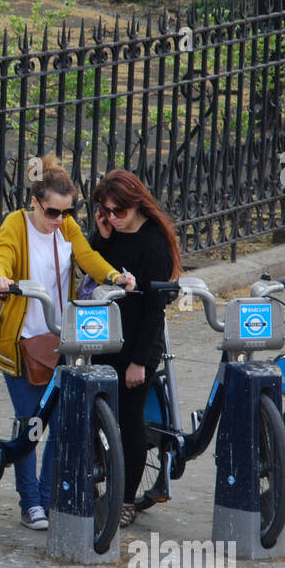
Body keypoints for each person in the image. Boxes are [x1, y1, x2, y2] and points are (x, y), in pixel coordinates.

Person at [0, 154, 135, 530]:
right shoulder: (15, 224)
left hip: (60, 339)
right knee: (30, 424)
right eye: (53, 213)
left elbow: (87, 257)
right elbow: (1, 257)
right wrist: (0, 280)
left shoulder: (66, 228)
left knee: (59, 422)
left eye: (67, 213)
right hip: (22, 342)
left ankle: (47, 495)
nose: (59, 220)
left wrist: (115, 277)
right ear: (35, 204)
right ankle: (29, 503)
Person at [85, 169, 182, 528]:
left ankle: (126, 499)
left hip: (136, 343)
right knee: (95, 414)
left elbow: (155, 311)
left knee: (129, 421)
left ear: (136, 205)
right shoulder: (112, 232)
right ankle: (94, 485)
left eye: (118, 211)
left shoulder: (153, 242)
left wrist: (140, 362)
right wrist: (103, 235)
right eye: (105, 211)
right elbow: (92, 268)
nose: (112, 217)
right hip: (102, 336)